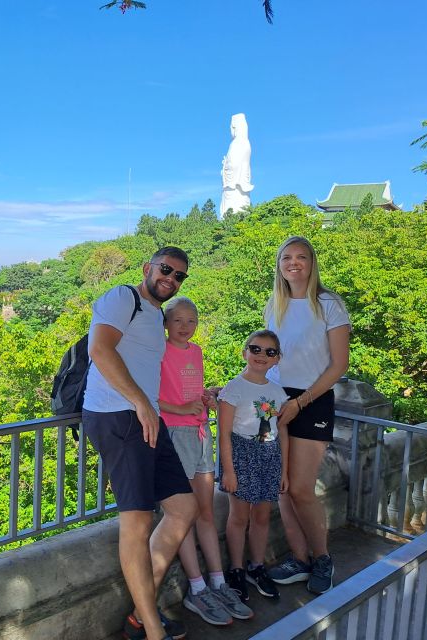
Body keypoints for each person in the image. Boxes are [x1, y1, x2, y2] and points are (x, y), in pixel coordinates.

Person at [83, 247, 199, 640]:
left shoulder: (154, 314)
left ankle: (139, 613)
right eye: (166, 270)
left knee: (184, 508)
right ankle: (152, 630)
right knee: (137, 522)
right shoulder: (122, 297)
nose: (171, 278)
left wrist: (158, 405)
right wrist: (138, 403)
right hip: (118, 416)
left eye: (180, 275)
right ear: (148, 268)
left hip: (145, 416)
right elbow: (99, 349)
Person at [158, 297, 254, 627]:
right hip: (174, 436)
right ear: (166, 323)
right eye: (178, 320)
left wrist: (205, 398)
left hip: (200, 434)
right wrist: (180, 410)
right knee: (181, 515)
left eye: (192, 320)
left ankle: (218, 583)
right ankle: (196, 589)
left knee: (206, 512)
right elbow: (148, 396)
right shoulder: (158, 351)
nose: (185, 327)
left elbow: (190, 391)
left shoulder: (196, 352)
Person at [264, 236, 350, 595]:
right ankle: (299, 560)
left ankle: (322, 558)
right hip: (275, 400)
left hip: (312, 400)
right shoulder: (275, 304)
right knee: (282, 487)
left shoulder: (329, 304)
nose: (293, 263)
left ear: (312, 263)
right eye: (287, 257)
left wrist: (301, 402)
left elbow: (339, 365)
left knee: (300, 489)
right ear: (279, 265)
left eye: (301, 257)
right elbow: (266, 357)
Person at [218, 330, 290, 604]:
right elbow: (224, 434)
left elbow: (281, 432)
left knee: (261, 516)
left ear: (277, 359)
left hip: (269, 456)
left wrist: (283, 471)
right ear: (245, 352)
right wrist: (229, 472)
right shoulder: (233, 388)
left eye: (270, 352)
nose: (262, 355)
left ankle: (256, 566)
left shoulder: (276, 392)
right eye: (256, 349)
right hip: (242, 455)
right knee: (239, 517)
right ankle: (236, 569)